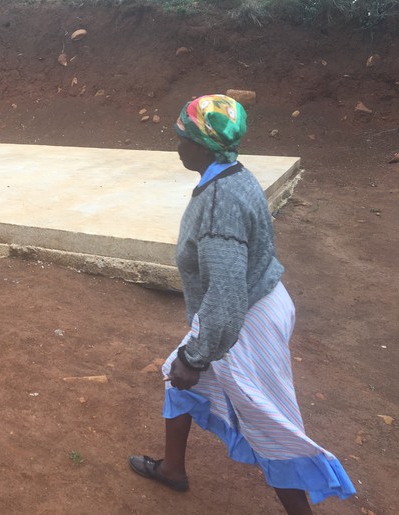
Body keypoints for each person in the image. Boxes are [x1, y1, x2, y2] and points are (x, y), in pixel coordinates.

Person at [129, 95, 355, 514]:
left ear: (201, 145)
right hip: (258, 302)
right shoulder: (234, 175)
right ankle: (173, 470)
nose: (176, 144)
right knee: (172, 373)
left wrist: (196, 359)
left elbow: (228, 293)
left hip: (245, 319)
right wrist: (190, 354)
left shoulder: (218, 205)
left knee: (267, 423)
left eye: (182, 136)